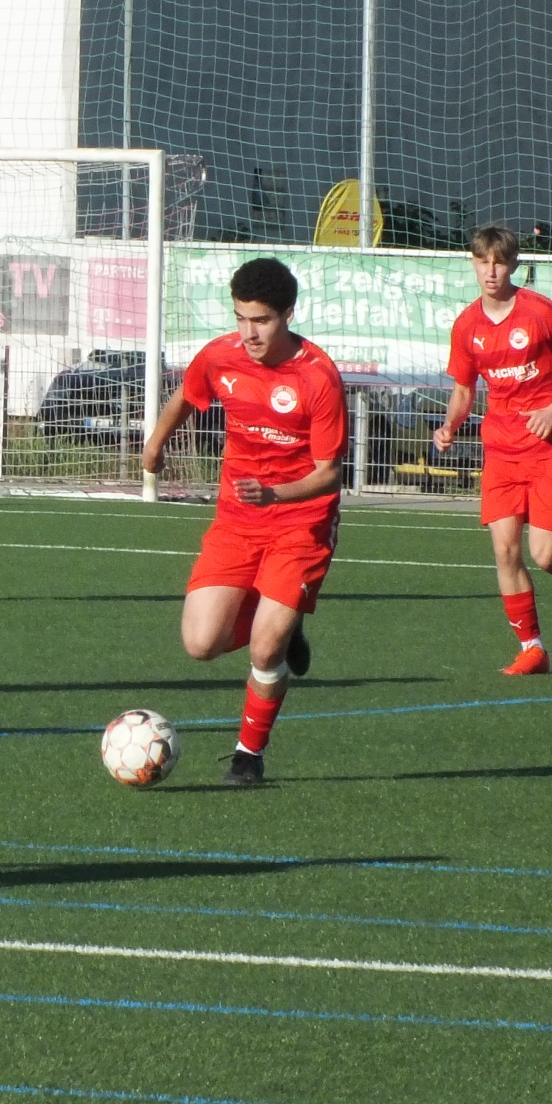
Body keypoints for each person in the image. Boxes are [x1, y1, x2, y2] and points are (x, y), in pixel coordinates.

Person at [142, 258, 345, 787]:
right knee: (200, 644)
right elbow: (188, 395)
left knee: (264, 648)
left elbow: (329, 474)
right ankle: (283, 618)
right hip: (236, 520)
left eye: (261, 321)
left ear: (287, 315)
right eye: (241, 318)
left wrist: (275, 493)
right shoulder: (220, 356)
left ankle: (248, 756)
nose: (249, 333)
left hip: (301, 521)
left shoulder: (318, 376)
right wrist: (156, 443)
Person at [432, 226, 552, 674]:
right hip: (501, 452)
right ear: (473, 263)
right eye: (482, 261)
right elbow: (463, 390)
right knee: (506, 553)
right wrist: (450, 425)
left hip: (550, 448)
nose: (491, 271)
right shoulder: (466, 324)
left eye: (500, 261)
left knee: (544, 554)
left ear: (514, 265)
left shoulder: (540, 312)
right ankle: (533, 648)